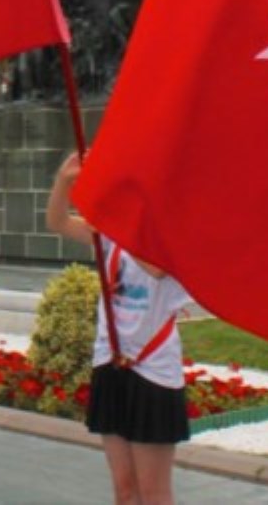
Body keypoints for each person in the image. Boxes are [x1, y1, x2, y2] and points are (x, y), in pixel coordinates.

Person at [46, 154, 189, 505]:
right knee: (125, 490)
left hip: (153, 370)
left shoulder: (171, 229)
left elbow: (157, 269)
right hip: (110, 362)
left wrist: (116, 222)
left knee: (153, 493)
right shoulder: (112, 235)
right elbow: (58, 222)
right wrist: (65, 181)